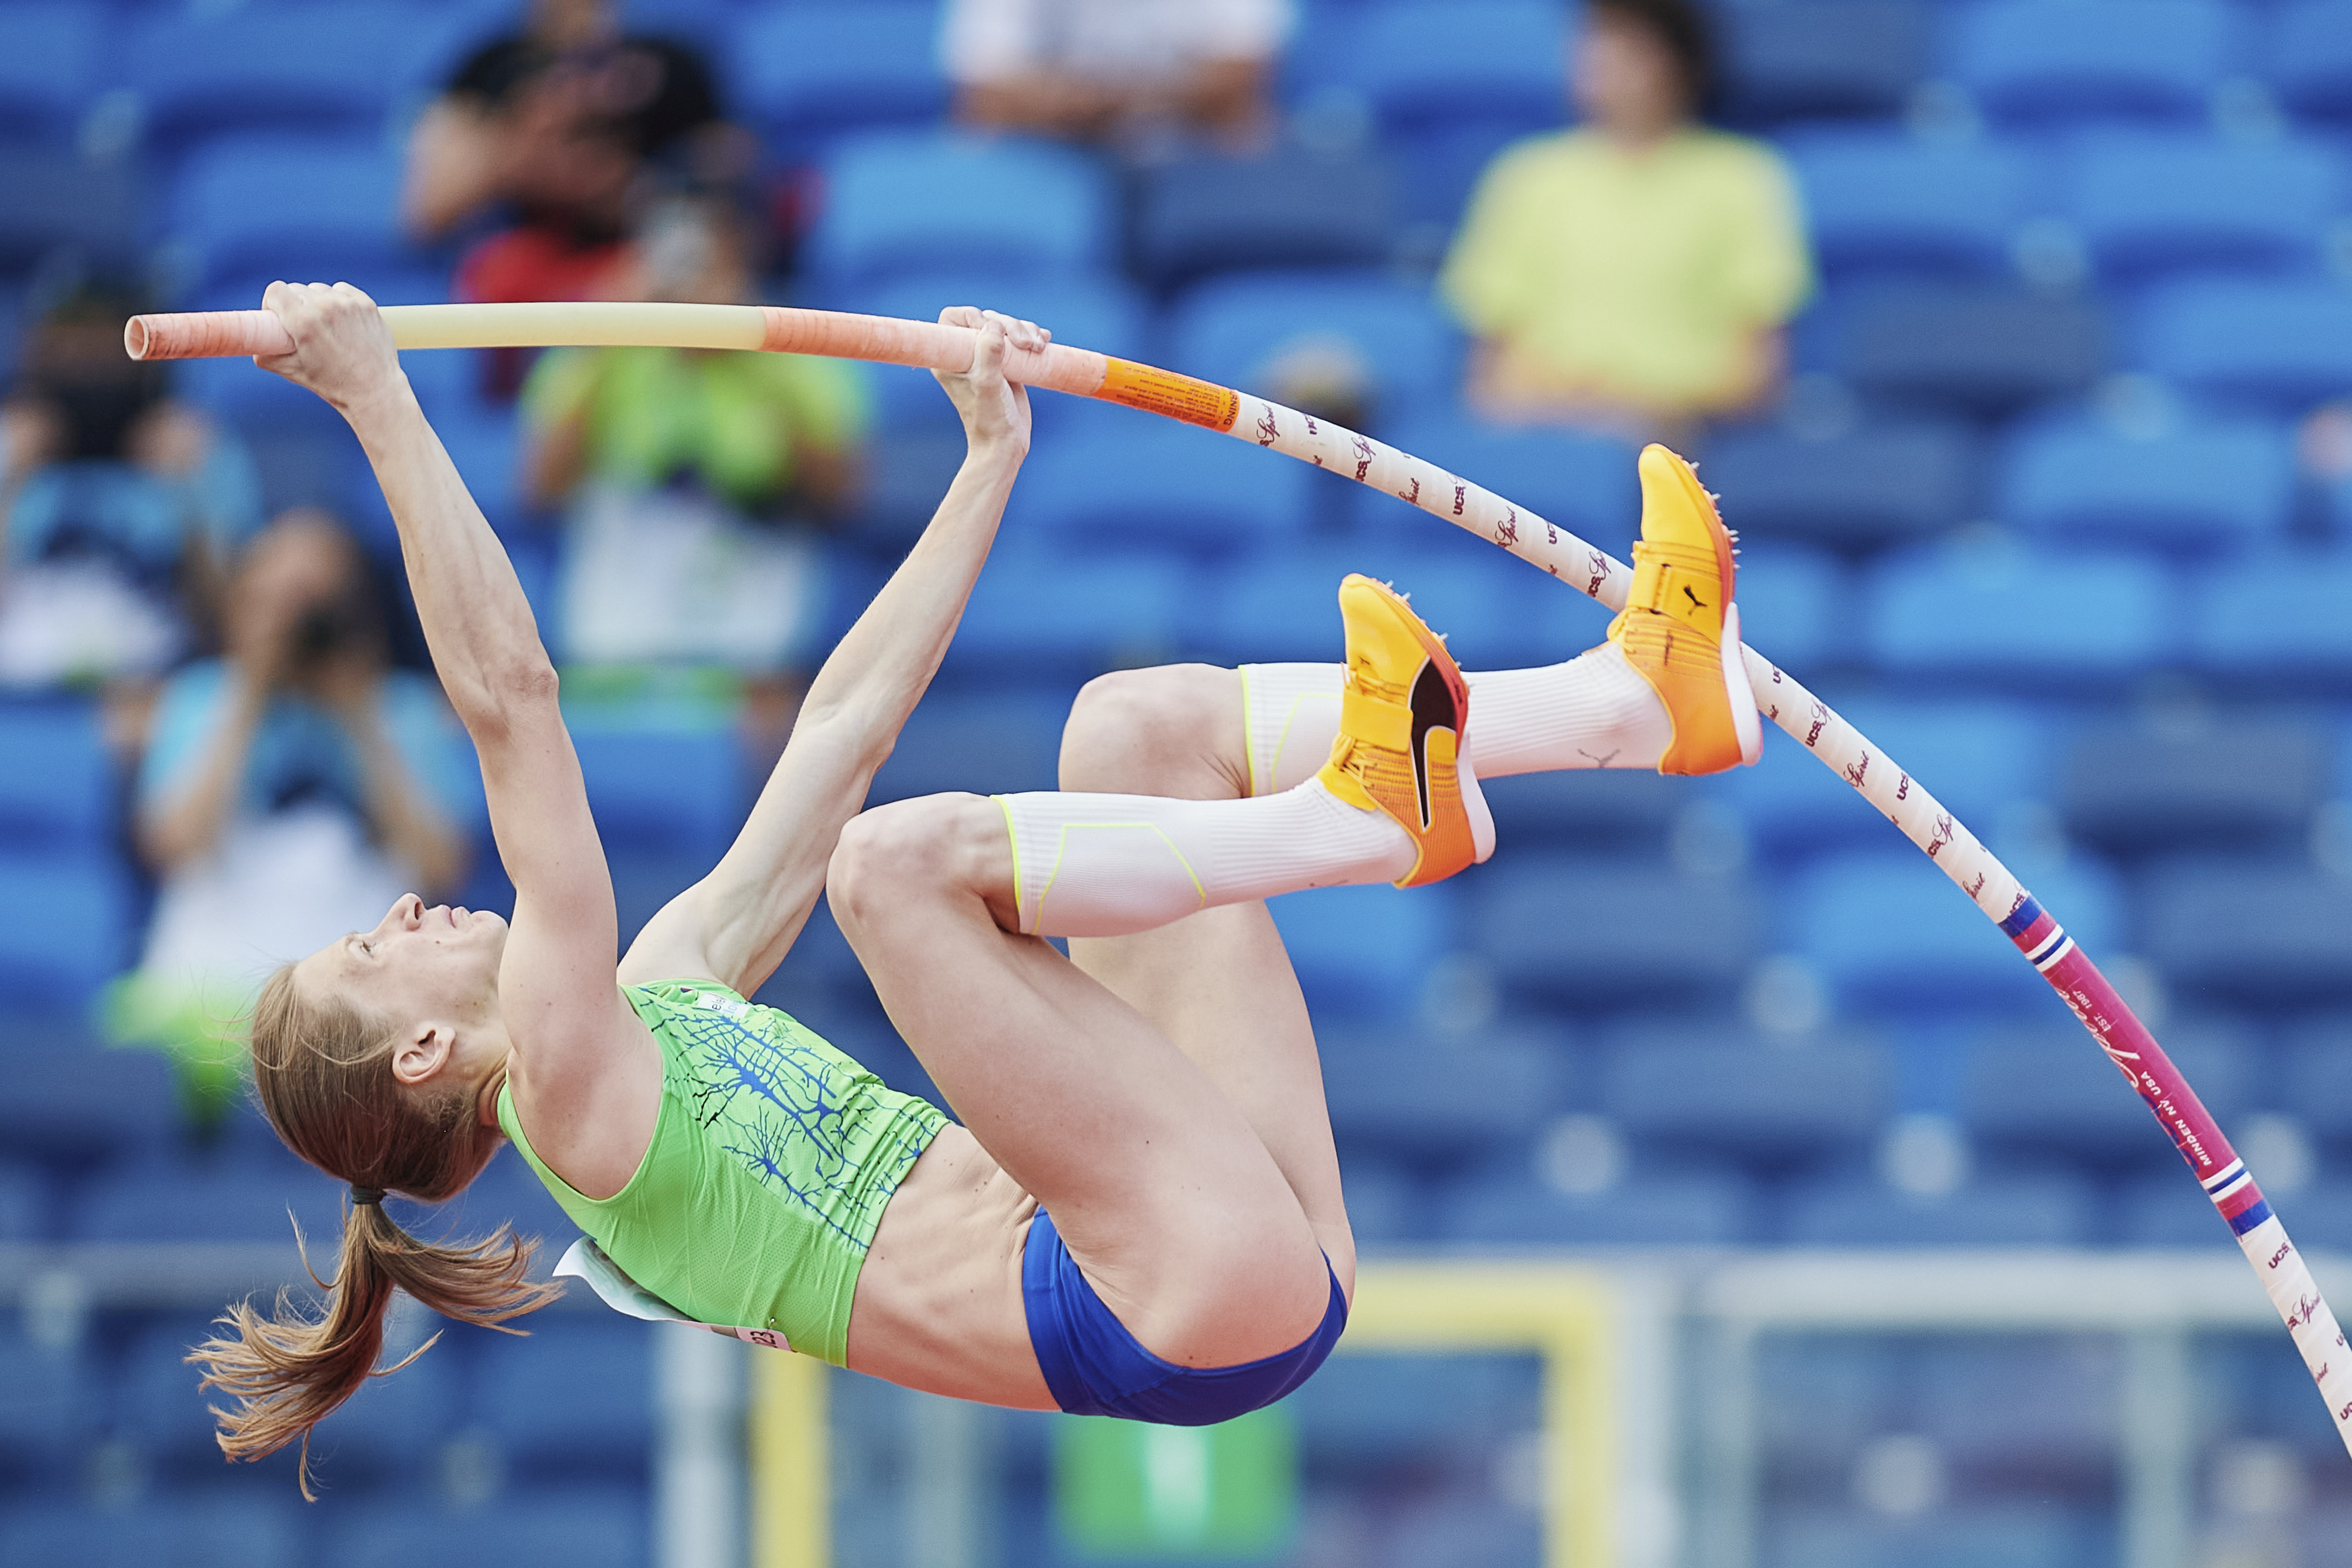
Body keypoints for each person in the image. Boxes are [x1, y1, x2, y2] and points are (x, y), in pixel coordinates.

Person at [190, 283, 1756, 1491]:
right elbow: (512, 697)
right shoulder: (575, 1100)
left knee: (1134, 727)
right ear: (423, 1058)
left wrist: (985, 458)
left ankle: (1629, 707)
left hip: (1222, 1228)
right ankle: (1370, 824)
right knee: (897, 872)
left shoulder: (661, 985)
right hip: (1158, 1293)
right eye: (366, 951)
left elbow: (841, 730)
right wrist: (378, 401)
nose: (399, 913)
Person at [110, 509, 477, 1122]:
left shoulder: (404, 711)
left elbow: (442, 867)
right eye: (272, 600)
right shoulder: (201, 699)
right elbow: (173, 847)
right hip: (208, 975)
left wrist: (361, 718)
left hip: (354, 1002)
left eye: (312, 605)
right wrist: (249, 692)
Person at [518, 195, 865, 755]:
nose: (693, 281)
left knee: (787, 753)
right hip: (616, 644)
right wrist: (610, 325)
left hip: (751, 649)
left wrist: (750, 352)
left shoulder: (797, 354)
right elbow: (540, 486)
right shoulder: (603, 354)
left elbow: (841, 495)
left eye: (710, 261)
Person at [1438, 0, 1813, 439]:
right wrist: (1565, 406)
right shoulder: (1526, 176)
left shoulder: (1743, 177)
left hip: (1687, 436)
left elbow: (1761, 369)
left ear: (1677, 61)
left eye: (1626, 46)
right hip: (1543, 432)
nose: (1600, 60)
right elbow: (1486, 371)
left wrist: (1649, 406)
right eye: (1594, 42)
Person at [400, 0, 741, 393]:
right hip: (532, 260)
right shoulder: (487, 65)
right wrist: (526, 160)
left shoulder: (673, 61)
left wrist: (635, 185)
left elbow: (734, 168)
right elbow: (424, 215)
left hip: (642, 253)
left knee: (693, 265)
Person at [0, 283, 263, 687]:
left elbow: (241, 627)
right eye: (71, 348)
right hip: (19, 696)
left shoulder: (199, 451)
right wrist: (11, 480)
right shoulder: (10, 446)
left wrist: (187, 495)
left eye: (105, 349)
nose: (88, 366)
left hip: (164, 688)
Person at [942, 0, 1291, 151]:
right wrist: (1161, 96)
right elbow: (990, 92)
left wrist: (1084, 99)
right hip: (1044, 153)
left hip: (1190, 158)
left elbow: (1236, 81)